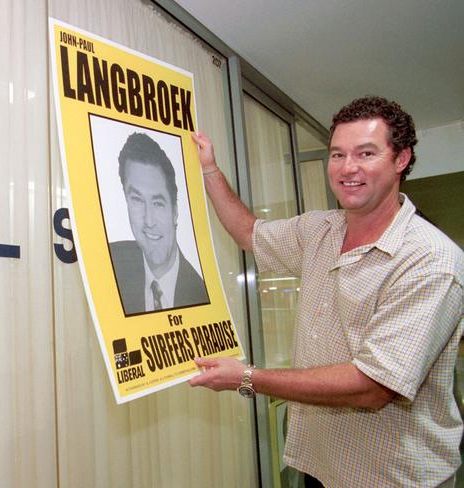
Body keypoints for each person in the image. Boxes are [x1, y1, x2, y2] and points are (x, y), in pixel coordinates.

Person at [189, 96, 464, 487]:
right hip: (320, 466)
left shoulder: (430, 260)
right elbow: (250, 233)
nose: (348, 168)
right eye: (337, 155)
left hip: (392, 479)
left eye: (366, 153)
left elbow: (373, 387)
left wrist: (247, 376)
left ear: (400, 159)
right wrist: (211, 170)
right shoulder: (321, 229)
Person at [110, 132, 209, 315]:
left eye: (157, 203)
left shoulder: (201, 292)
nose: (148, 221)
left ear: (175, 211)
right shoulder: (109, 265)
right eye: (137, 200)